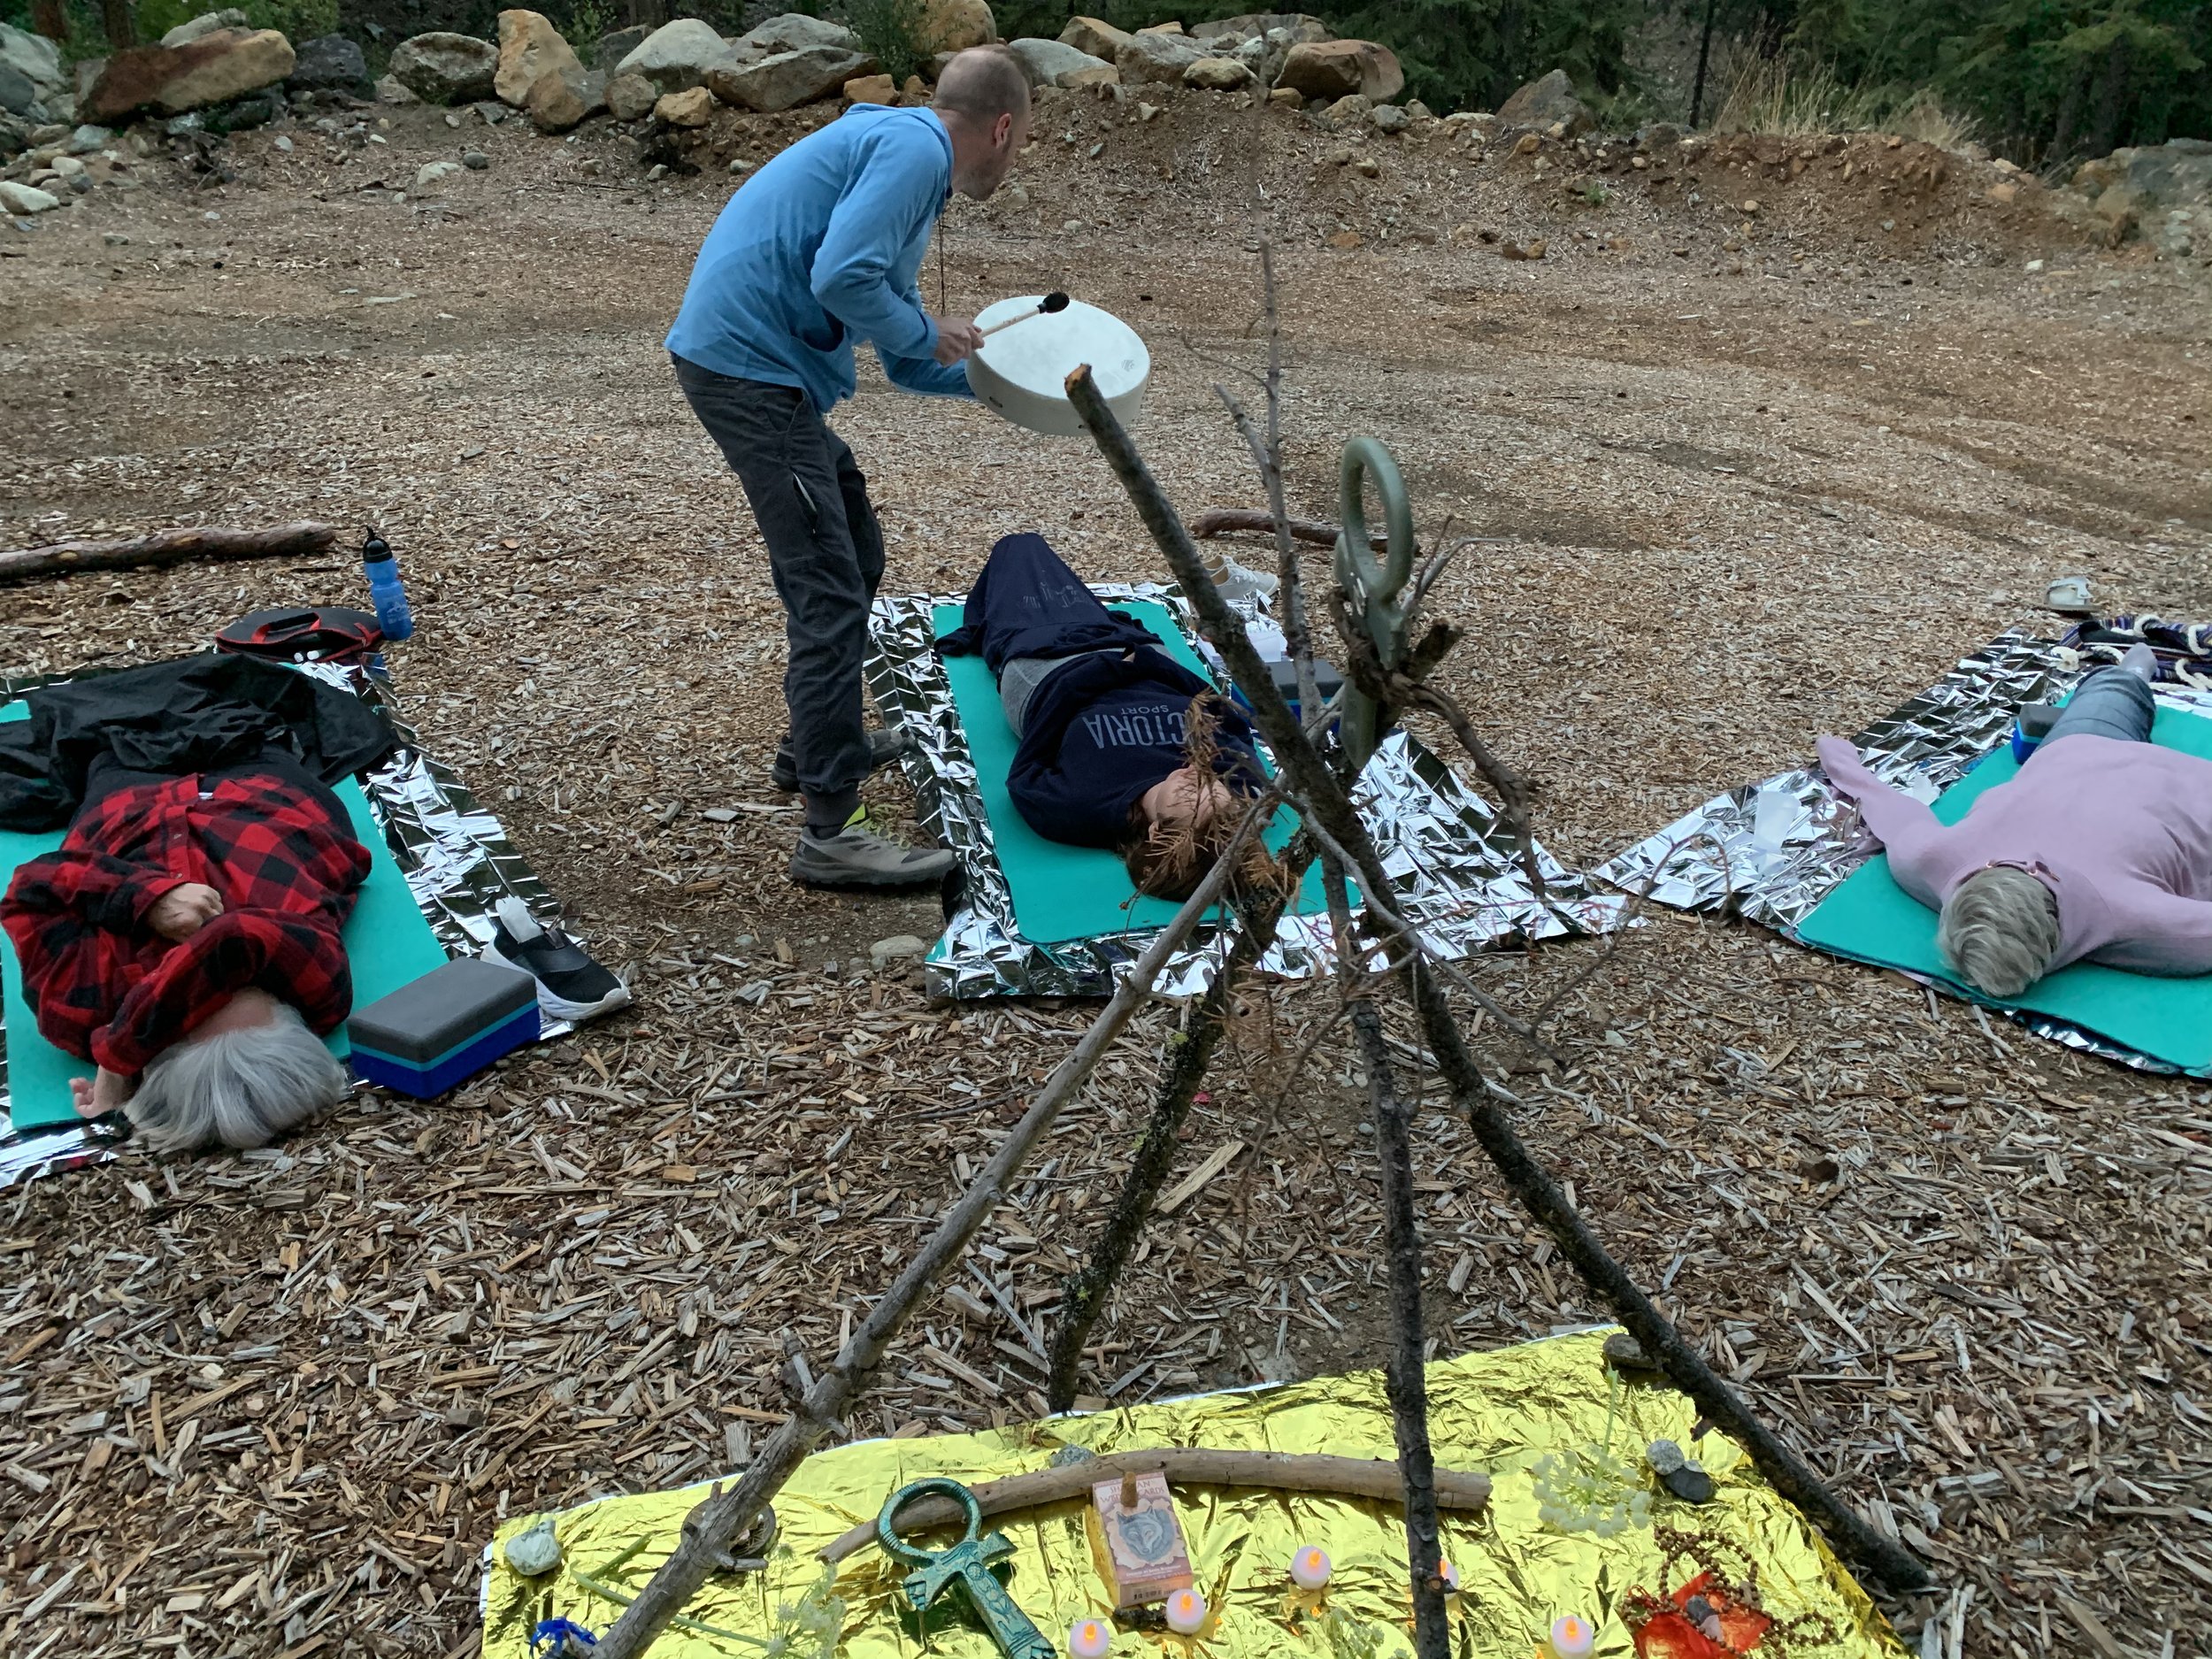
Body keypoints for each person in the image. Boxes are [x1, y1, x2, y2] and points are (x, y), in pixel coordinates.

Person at [666, 46, 1032, 889]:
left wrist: (1018, 388)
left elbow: (905, 358)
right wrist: (920, 328)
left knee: (855, 543)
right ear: (1003, 128)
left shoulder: (906, 164)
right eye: (1021, 145)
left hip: (764, 373)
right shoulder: (913, 153)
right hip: (748, 370)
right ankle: (832, 829)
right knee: (827, 588)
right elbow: (843, 277)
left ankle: (816, 744)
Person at [3, 746, 364, 1152]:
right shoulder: (322, 994)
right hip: (265, 788)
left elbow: (33, 886)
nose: (214, 985)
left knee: (107, 733)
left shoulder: (85, 1008)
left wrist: (137, 896)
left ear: (162, 1051)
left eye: (192, 1011)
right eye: (246, 986)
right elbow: (234, 938)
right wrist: (120, 1052)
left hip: (125, 802)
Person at [1816, 644, 2212, 998]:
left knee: (2111, 689)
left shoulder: (2152, 925)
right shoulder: (1931, 861)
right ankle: (2128, 676)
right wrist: (1835, 753)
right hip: (2088, 751)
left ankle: (2131, 674)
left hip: (2135, 767)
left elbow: (1883, 805)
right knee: (2108, 693)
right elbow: (1880, 801)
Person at [940, 533, 1276, 901]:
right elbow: (1213, 704)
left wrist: (1104, 671)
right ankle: (988, 620)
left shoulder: (1081, 808)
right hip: (1141, 658)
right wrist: (1146, 660)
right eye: (1213, 787)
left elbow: (1028, 766)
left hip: (1055, 670)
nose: (1198, 778)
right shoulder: (1239, 781)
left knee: (1021, 550)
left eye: (1189, 798)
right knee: (1056, 588)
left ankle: (985, 625)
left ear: (1154, 832)